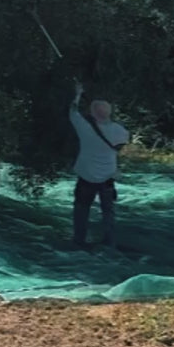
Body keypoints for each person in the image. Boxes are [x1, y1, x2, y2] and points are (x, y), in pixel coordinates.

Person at [69, 79, 129, 249]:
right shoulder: (120, 131)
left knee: (81, 211)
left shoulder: (84, 128)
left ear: (92, 114)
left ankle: (78, 242)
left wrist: (78, 94)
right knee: (108, 213)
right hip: (108, 179)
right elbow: (119, 144)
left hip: (86, 177)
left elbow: (73, 112)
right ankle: (109, 243)